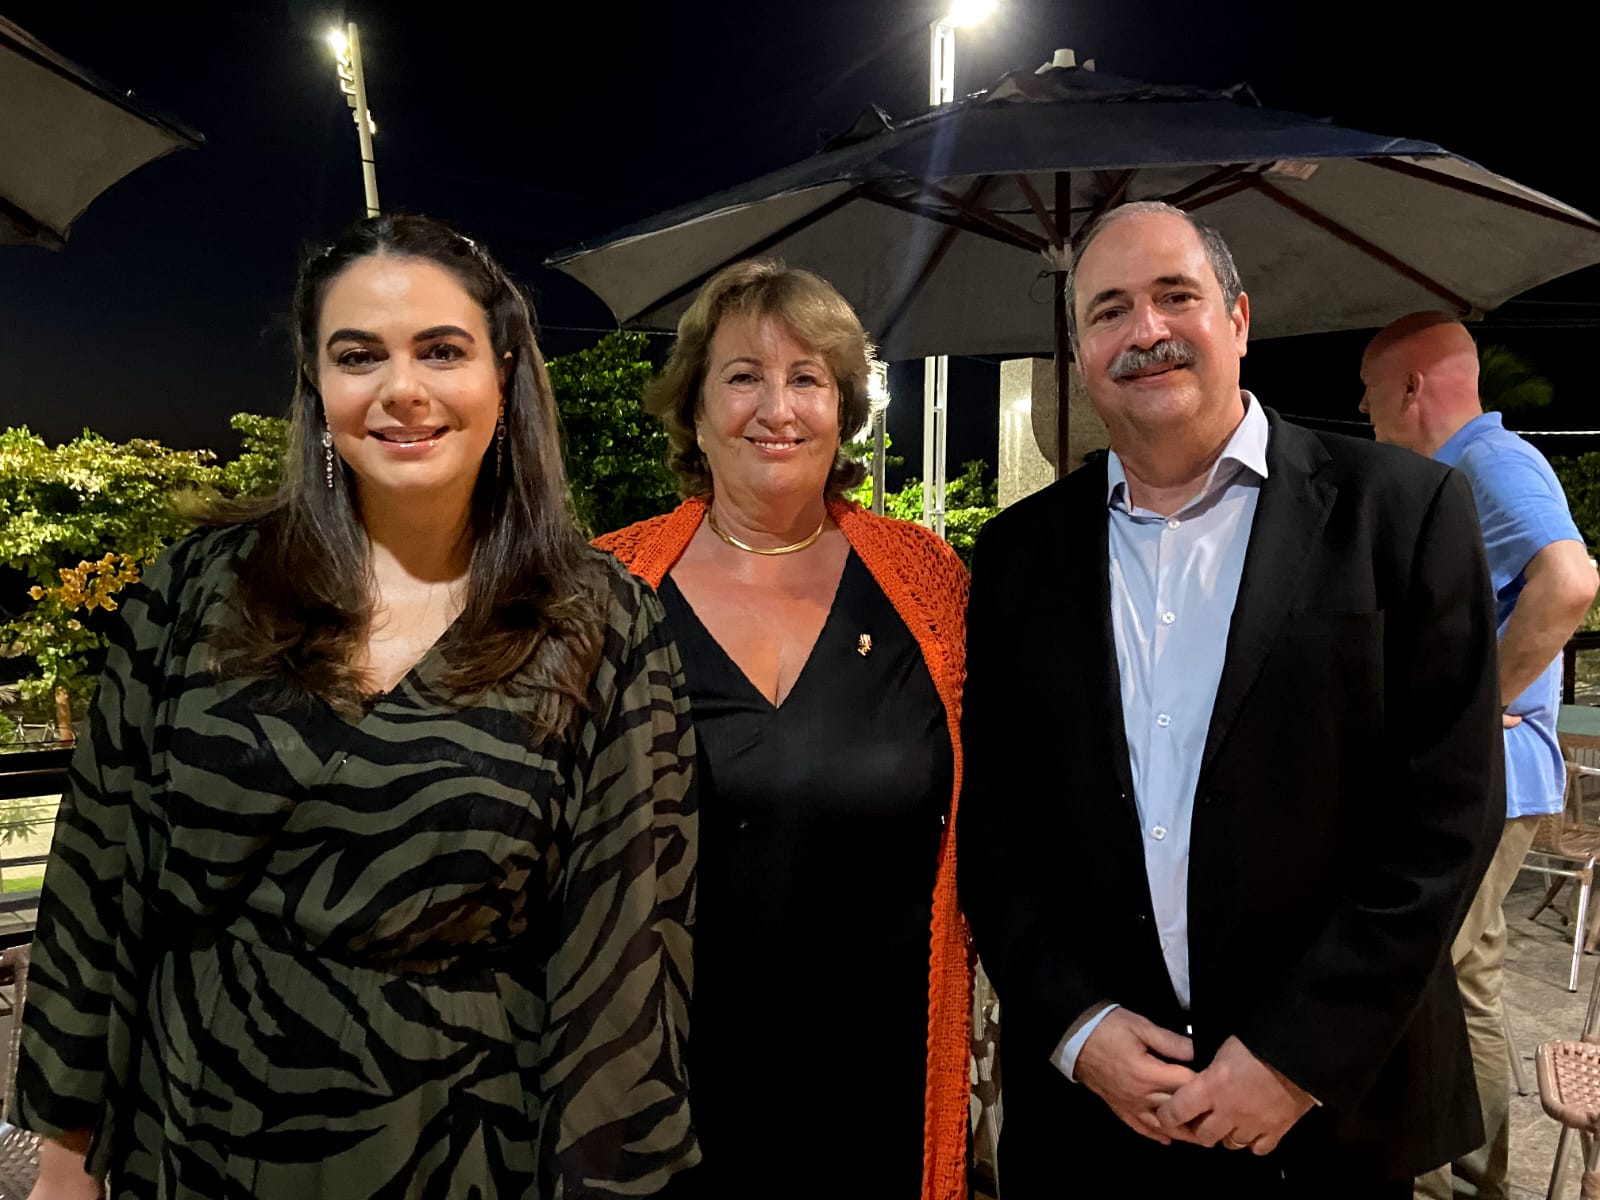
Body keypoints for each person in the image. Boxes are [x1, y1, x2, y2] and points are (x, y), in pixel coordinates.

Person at [14, 214, 698, 1199]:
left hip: (458, 1144)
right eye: (358, 355)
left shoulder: (599, 623)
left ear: (504, 373)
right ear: (315, 379)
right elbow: (97, 885)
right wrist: (66, 1165)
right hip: (197, 1130)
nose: (401, 389)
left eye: (442, 350)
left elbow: (625, 957)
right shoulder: (198, 591)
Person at [958, 201, 1504, 1198]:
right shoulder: (1016, 556)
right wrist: (1076, 1025)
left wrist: (1297, 1052)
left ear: (1239, 319)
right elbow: (994, 824)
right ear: (1079, 354)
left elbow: (1448, 813)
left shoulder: (1400, 512)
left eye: (1177, 296)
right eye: (1109, 310)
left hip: (1327, 1122)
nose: (1146, 331)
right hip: (1096, 1123)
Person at [595, 259, 972, 1199]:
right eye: (743, 377)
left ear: (843, 411)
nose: (778, 408)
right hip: (666, 1085)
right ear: (694, 411)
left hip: (881, 1081)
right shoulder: (605, 589)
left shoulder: (928, 584)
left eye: (807, 378)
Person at [1359, 311, 1599, 1200]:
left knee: (1438, 984)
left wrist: (1474, 706)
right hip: (1489, 777)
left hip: (1486, 775)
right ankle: (1470, 1177)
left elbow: (1571, 581)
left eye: (1370, 392)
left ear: (1410, 387)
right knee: (1460, 978)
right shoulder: (1463, 471)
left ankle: (1456, 1184)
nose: (1365, 410)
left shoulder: (1491, 463)